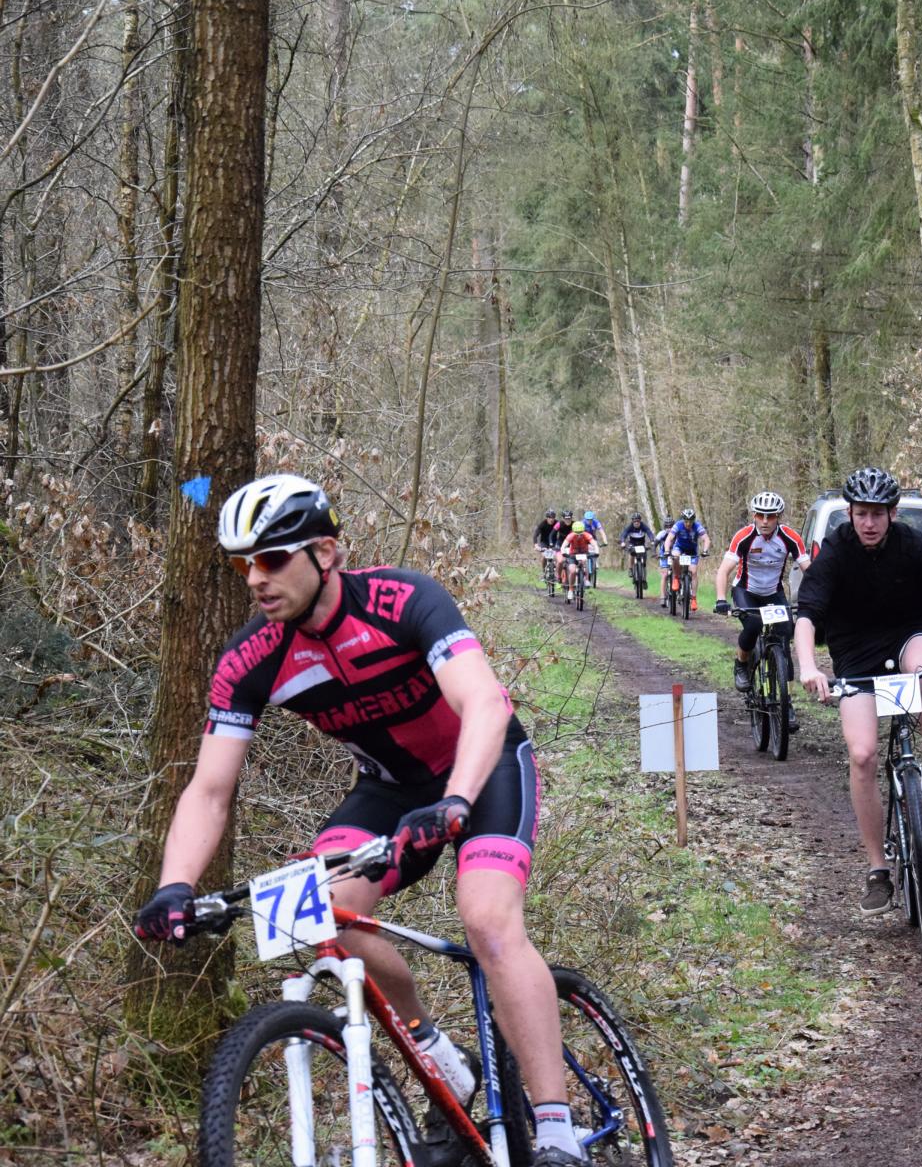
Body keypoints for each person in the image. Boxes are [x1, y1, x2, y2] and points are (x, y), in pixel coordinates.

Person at [133, 474, 588, 1167]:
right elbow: (210, 789)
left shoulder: (404, 601)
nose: (255, 579)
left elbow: (485, 704)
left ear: (326, 553)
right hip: (390, 791)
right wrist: (176, 885)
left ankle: (556, 1131)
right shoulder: (250, 660)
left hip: (485, 767)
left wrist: (457, 800)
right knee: (320, 916)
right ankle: (439, 1057)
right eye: (243, 564)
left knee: (488, 920)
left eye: (272, 559)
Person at [794, 467, 922, 915]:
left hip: (909, 633)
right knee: (862, 755)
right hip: (855, 652)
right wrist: (807, 667)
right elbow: (807, 614)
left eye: (877, 514)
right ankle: (877, 870)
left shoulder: (911, 543)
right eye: (861, 514)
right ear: (850, 513)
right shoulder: (836, 549)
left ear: (892, 513)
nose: (869, 523)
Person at [712, 492, 810, 693]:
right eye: (760, 515)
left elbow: (810, 571)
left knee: (786, 634)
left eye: (770, 516)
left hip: (773, 593)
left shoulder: (790, 538)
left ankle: (786, 695)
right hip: (746, 591)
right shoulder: (744, 537)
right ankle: (741, 665)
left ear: (778, 516)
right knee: (753, 625)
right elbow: (723, 571)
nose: (765, 521)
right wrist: (721, 599)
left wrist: (817, 597)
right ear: (754, 515)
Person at [660, 508, 710, 613]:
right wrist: (667, 550)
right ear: (683, 520)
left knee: (694, 572)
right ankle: (676, 578)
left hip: (692, 551)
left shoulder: (697, 526)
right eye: (686, 521)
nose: (688, 524)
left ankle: (694, 599)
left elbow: (706, 539)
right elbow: (669, 539)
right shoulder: (678, 525)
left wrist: (705, 550)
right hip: (679, 548)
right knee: (675, 556)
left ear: (693, 520)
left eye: (690, 521)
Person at [558, 520, 602, 602]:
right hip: (572, 555)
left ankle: (586, 579)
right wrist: (563, 553)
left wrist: (597, 552)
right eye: (576, 533)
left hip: (583, 553)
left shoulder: (587, 535)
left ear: (583, 531)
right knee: (572, 571)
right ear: (573, 531)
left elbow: (594, 544)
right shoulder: (570, 536)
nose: (578, 535)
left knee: (585, 561)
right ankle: (571, 590)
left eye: (580, 533)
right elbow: (563, 546)